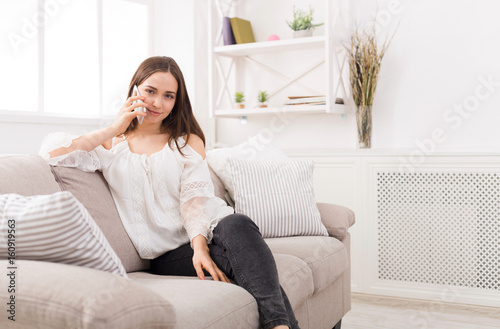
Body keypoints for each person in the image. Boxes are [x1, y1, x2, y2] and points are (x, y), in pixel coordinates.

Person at [41, 56, 299, 329]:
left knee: (238, 224)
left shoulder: (186, 140)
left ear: (177, 101)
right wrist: (114, 127)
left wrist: (199, 248)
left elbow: (194, 202)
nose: (157, 103)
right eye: (150, 91)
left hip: (208, 230)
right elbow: (52, 154)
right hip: (167, 254)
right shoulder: (111, 144)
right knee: (248, 265)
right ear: (134, 89)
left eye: (168, 96)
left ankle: (279, 326)